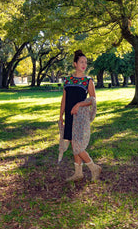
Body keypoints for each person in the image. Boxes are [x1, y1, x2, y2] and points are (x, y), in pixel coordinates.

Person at [59, 49, 101, 182]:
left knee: (77, 145)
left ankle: (94, 167)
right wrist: (60, 115)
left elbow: (92, 100)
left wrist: (79, 105)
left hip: (81, 117)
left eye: (86, 62)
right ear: (75, 64)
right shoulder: (67, 80)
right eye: (81, 62)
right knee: (73, 144)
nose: (84, 65)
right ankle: (78, 173)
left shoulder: (88, 81)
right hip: (69, 116)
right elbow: (64, 99)